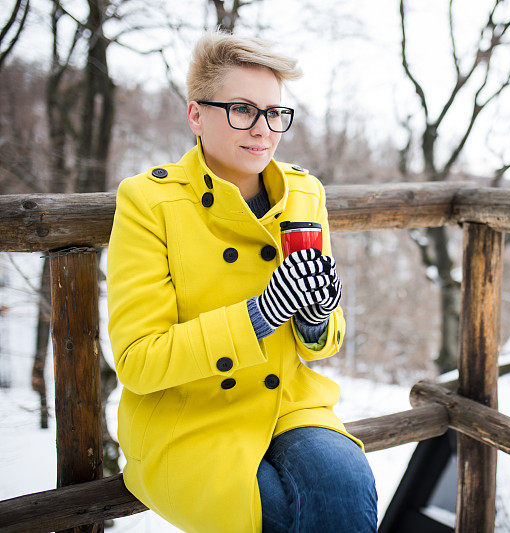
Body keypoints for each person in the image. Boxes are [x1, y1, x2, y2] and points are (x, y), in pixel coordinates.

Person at [106, 29, 378, 533]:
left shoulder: (303, 193)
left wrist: (316, 318)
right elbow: (137, 361)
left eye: (275, 113)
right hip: (188, 418)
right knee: (272, 511)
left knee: (345, 481)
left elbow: (319, 347)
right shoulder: (148, 202)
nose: (263, 130)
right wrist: (263, 313)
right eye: (242, 110)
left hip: (285, 401)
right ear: (196, 115)